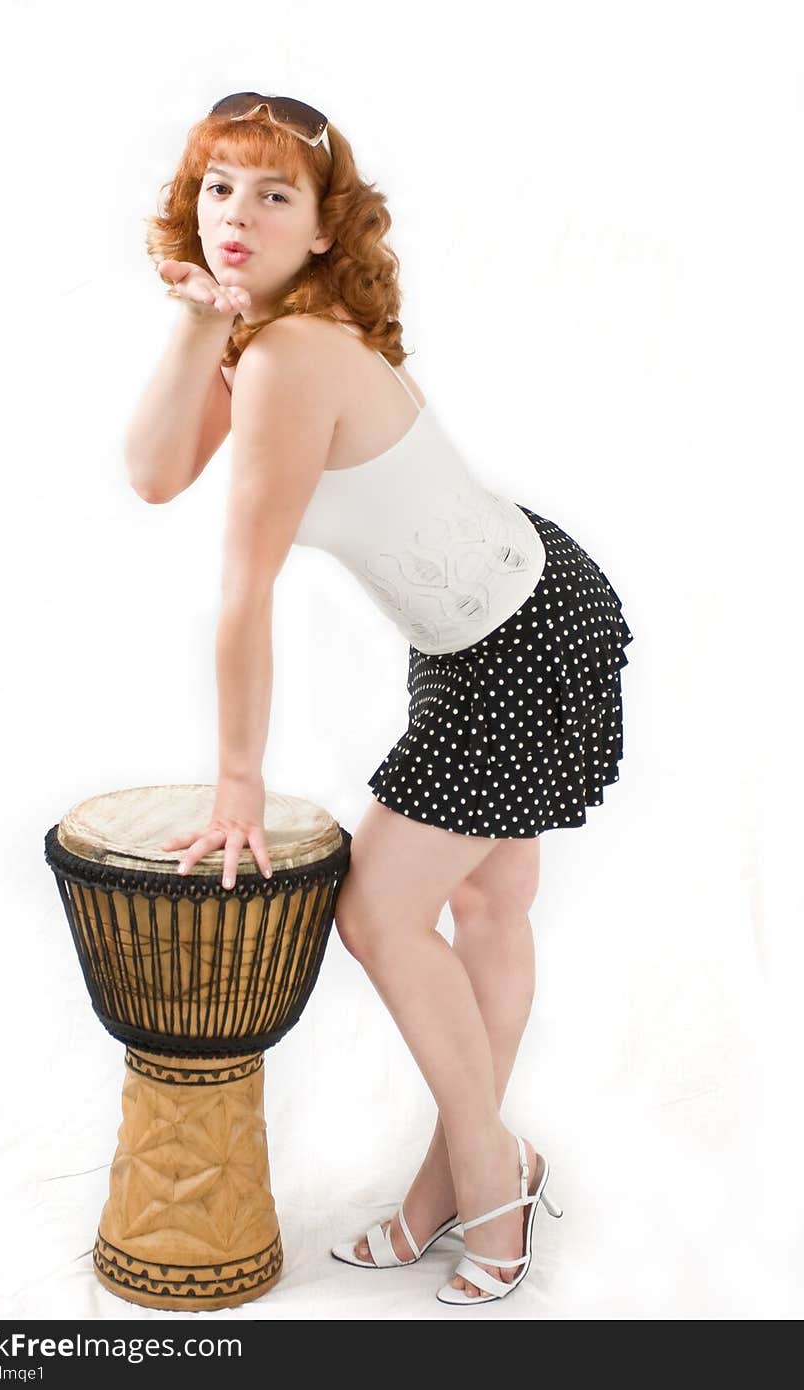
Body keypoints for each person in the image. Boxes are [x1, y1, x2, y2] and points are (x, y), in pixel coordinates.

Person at [124, 94, 634, 1305]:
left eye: (271, 194)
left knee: (379, 910)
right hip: (482, 627)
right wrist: (199, 316)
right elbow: (152, 473)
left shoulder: (297, 354)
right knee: (490, 906)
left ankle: (488, 1177)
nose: (234, 217)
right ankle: (452, 1188)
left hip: (517, 641)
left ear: (321, 226)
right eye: (215, 190)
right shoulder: (271, 327)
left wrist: (237, 785)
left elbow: (240, 591)